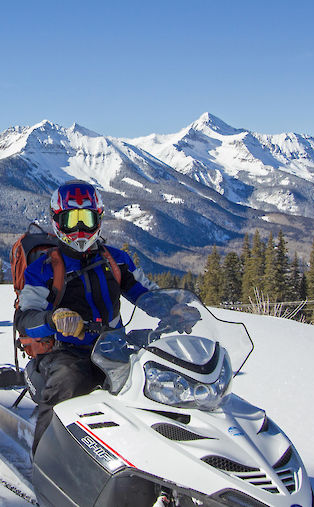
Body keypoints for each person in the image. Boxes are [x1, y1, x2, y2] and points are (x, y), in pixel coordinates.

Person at [14, 180, 200, 454]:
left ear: (98, 220)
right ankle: (45, 459)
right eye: (71, 220)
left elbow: (143, 291)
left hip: (116, 346)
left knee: (164, 387)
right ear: (57, 221)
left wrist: (172, 308)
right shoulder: (43, 269)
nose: (79, 229)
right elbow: (25, 315)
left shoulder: (116, 259)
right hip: (67, 351)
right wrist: (53, 319)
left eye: (86, 219)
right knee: (68, 385)